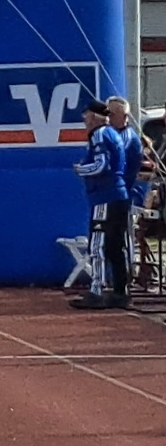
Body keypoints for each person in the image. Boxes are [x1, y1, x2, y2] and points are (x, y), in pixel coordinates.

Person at [71, 101, 130, 310]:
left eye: (86, 115)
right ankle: (120, 292)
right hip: (117, 195)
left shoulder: (99, 134)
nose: (84, 120)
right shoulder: (113, 133)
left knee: (97, 245)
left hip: (105, 196)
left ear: (94, 117)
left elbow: (102, 164)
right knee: (115, 246)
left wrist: (81, 169)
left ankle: (97, 291)